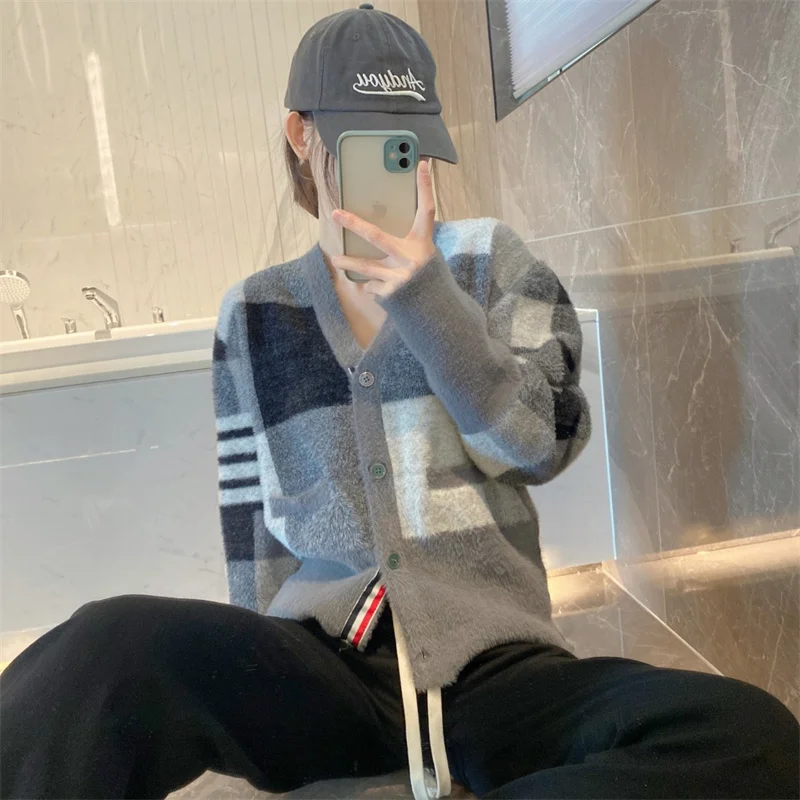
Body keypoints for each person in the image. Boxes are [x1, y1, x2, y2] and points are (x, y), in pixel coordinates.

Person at [1, 5, 798, 799]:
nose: (398, 170)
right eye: (367, 144)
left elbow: (541, 444)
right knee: (104, 647)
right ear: (301, 134)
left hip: (495, 668)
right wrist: (258, 686)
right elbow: (253, 532)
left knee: (748, 737)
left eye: (409, 146)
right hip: (324, 670)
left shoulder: (490, 261)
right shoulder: (253, 314)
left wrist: (427, 298)